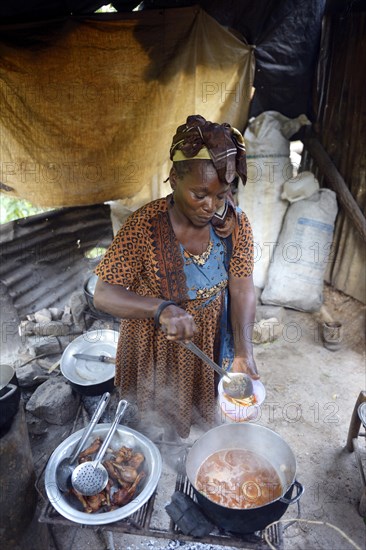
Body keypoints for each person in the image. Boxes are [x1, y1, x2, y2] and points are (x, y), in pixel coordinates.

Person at [93, 114, 259, 439]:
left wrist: (243, 353)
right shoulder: (143, 226)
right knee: (157, 417)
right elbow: (104, 294)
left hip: (210, 335)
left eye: (221, 194)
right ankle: (161, 443)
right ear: (173, 178)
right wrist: (161, 309)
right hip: (156, 342)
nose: (211, 206)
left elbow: (242, 289)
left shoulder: (236, 226)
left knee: (205, 405)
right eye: (199, 194)